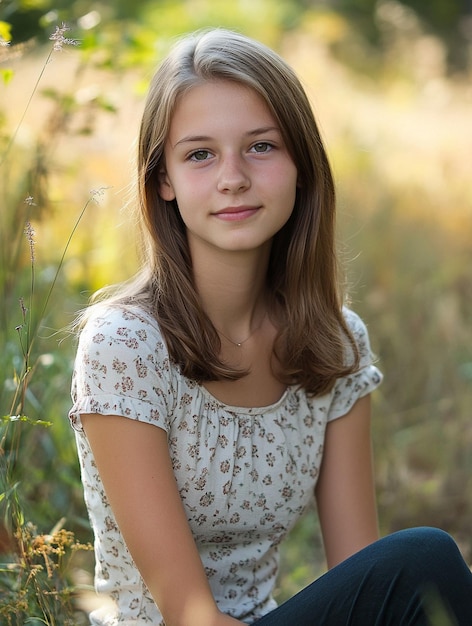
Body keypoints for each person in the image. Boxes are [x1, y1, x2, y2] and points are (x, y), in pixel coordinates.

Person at [69, 29, 472, 626]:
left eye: (260, 147)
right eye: (200, 154)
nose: (232, 177)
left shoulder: (335, 343)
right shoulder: (125, 344)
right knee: (427, 558)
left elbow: (363, 575)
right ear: (164, 181)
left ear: (302, 165)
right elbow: (189, 614)